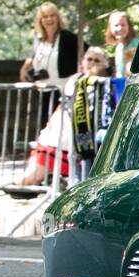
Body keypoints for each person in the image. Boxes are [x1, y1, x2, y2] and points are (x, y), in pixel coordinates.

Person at [10, 47, 110, 191]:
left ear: (105, 64)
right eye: (89, 59)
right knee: (29, 176)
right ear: (83, 61)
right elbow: (63, 104)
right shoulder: (75, 79)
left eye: (97, 60)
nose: (92, 63)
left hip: (84, 138)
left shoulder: (107, 83)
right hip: (60, 134)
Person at [19, 2, 78, 89]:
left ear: (58, 18)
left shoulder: (68, 37)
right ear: (40, 20)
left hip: (63, 91)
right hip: (42, 90)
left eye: (52, 15)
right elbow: (32, 56)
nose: (49, 19)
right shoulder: (39, 39)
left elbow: (88, 52)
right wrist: (24, 69)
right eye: (45, 17)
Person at [103, 10, 138, 77]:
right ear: (110, 28)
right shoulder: (118, 47)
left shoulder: (136, 44)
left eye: (123, 25)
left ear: (129, 27)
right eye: (116, 25)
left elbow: (131, 72)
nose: (120, 28)